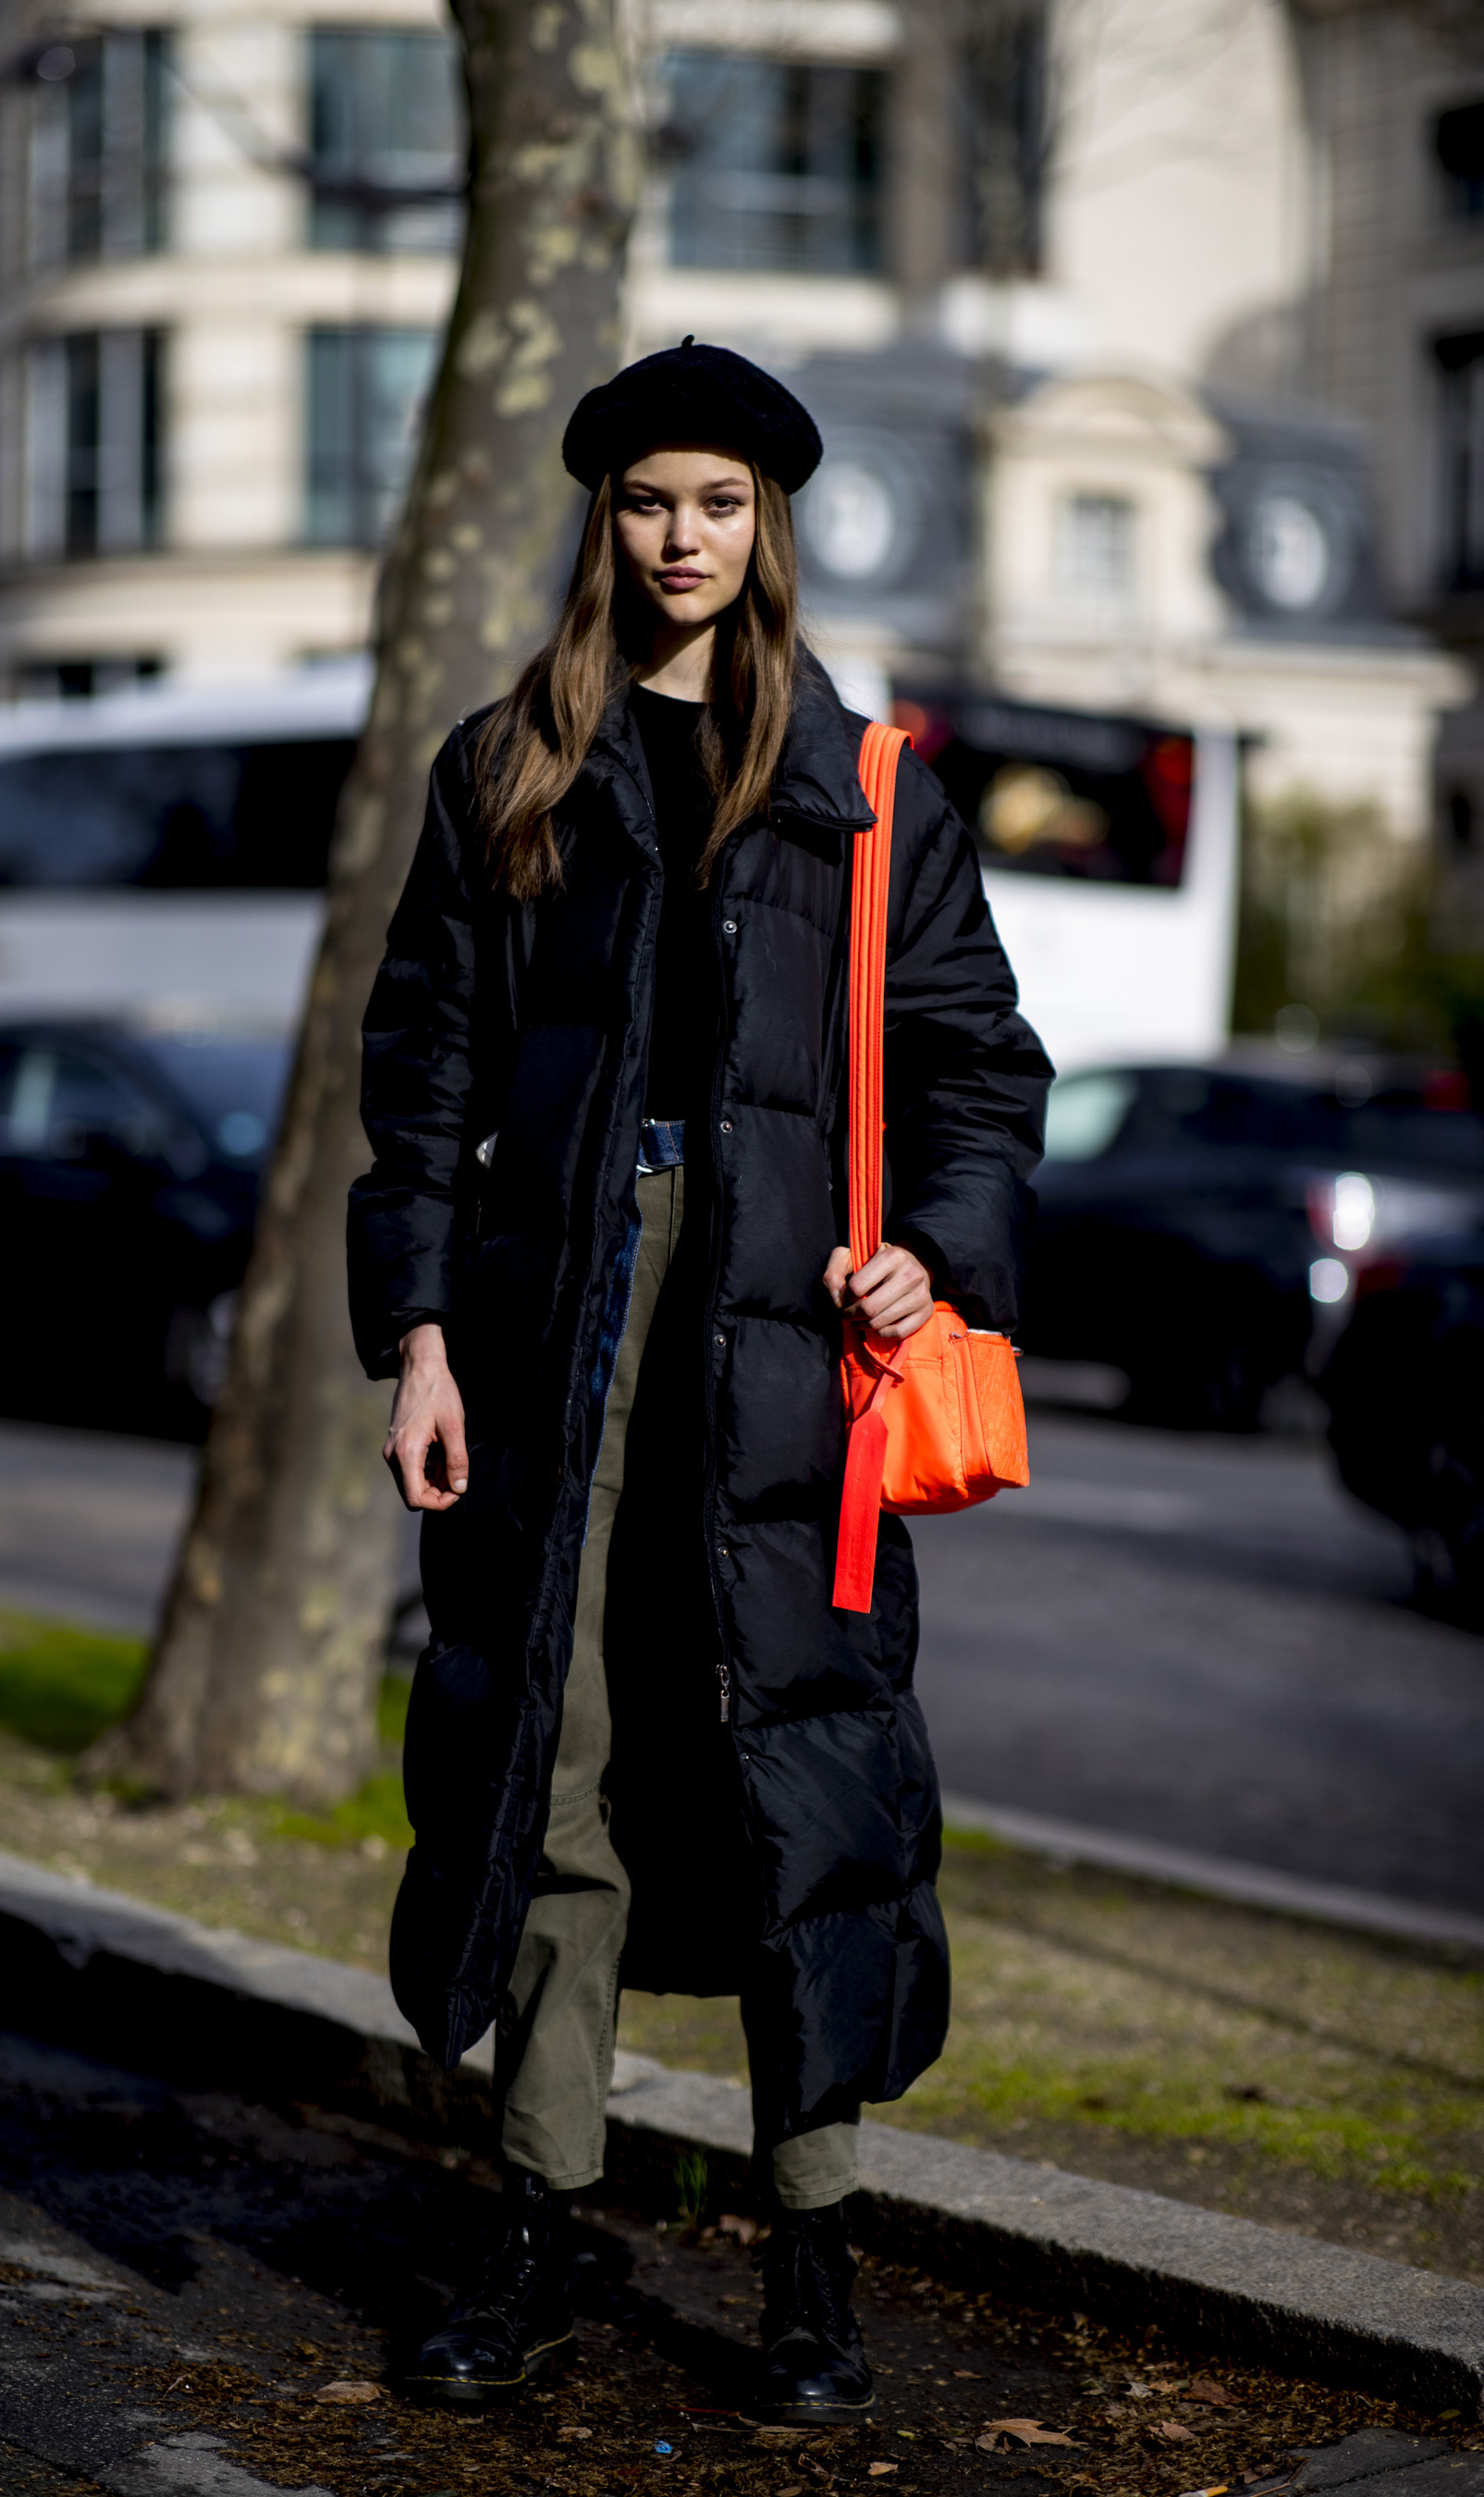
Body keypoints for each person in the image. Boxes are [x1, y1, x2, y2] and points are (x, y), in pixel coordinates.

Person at [348, 339, 1051, 2417]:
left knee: (793, 1774)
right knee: (552, 1761)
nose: (680, 539)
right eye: (649, 501)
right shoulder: (511, 761)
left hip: (791, 1322)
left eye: (719, 505)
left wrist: (944, 1243)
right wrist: (417, 1340)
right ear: (605, 518)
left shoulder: (866, 781)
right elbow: (426, 1076)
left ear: (770, 527)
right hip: (555, 1304)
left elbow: (978, 1068)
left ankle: (812, 2254)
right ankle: (543, 2207)